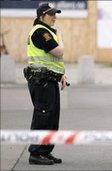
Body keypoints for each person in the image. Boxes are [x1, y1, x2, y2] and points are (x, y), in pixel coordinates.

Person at [24, 3, 68, 165]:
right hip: (40, 81)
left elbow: (52, 61)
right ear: (42, 15)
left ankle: (45, 151)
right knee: (43, 116)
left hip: (49, 80)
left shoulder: (47, 31)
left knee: (51, 117)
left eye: (56, 14)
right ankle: (35, 152)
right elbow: (58, 51)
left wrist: (61, 75)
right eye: (51, 14)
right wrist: (60, 37)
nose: (55, 17)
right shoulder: (41, 32)